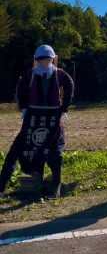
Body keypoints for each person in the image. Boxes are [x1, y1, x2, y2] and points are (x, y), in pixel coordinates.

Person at [0, 45, 74, 198]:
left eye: (47, 59)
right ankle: (1, 186)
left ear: (52, 59)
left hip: (53, 117)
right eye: (41, 59)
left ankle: (55, 188)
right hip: (33, 116)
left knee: (55, 152)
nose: (44, 62)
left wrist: (64, 107)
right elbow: (21, 90)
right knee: (15, 151)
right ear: (37, 60)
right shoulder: (30, 74)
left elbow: (69, 85)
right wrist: (24, 107)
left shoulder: (59, 74)